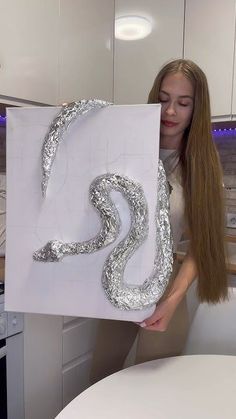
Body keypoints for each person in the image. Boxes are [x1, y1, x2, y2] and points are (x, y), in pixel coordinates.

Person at [90, 59, 228, 383]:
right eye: (164, 99)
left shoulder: (202, 168)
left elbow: (201, 246)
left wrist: (171, 300)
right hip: (116, 281)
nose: (170, 112)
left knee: (152, 386)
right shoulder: (123, 150)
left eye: (183, 103)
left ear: (197, 108)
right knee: (99, 381)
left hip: (165, 288)